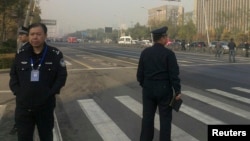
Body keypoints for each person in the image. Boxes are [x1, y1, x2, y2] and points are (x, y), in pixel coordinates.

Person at [9, 23, 67, 141]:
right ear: (29, 36)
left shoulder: (55, 54)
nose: (35, 37)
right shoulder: (21, 54)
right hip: (24, 107)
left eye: (39, 34)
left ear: (45, 35)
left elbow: (61, 76)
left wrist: (50, 93)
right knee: (24, 137)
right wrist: (18, 93)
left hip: (45, 106)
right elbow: (13, 75)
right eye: (32, 34)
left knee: (46, 137)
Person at [137, 26, 182, 141]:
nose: (167, 38)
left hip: (148, 90)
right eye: (166, 36)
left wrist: (146, 85)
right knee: (165, 120)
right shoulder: (169, 54)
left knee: (147, 119)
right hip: (164, 90)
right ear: (162, 38)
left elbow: (139, 75)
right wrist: (177, 91)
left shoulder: (145, 53)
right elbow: (174, 75)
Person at [9, 26, 29, 135]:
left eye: (22, 34)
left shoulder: (29, 49)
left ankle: (20, 126)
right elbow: (15, 69)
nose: (20, 36)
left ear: (27, 36)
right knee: (21, 108)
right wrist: (15, 87)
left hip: (27, 87)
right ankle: (18, 125)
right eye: (19, 34)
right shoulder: (22, 48)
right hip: (21, 87)